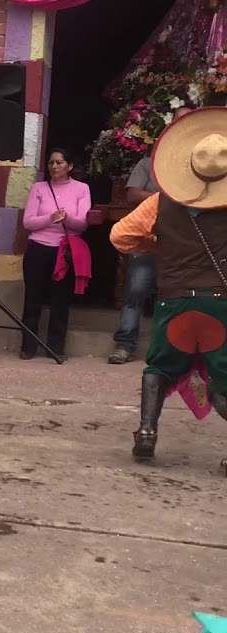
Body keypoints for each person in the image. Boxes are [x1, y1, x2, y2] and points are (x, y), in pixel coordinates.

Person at [110, 108, 227, 468]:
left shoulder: (159, 202)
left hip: (174, 302)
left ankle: (146, 431)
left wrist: (159, 244)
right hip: (221, 305)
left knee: (159, 367)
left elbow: (120, 236)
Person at [109, 106, 196, 364]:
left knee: (172, 299)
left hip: (180, 245)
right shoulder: (149, 162)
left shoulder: (199, 164)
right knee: (135, 292)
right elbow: (132, 194)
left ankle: (166, 351)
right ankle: (124, 346)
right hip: (147, 241)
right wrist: (168, 199)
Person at [20, 148, 91, 360]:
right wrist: (50, 218)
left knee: (60, 301)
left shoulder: (82, 189)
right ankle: (27, 347)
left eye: (60, 162)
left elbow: (82, 224)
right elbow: (28, 222)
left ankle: (55, 348)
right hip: (38, 249)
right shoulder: (39, 188)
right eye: (51, 163)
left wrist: (66, 218)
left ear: (69, 166)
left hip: (64, 251)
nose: (54, 166)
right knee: (32, 299)